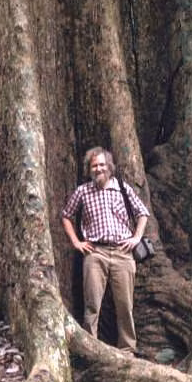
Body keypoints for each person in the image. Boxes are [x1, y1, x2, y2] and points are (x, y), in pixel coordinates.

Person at [62, 147, 149, 355]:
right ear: (89, 169)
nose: (98, 168)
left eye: (102, 165)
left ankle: (127, 349)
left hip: (122, 252)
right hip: (95, 253)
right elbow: (66, 215)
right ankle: (90, 349)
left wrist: (136, 238)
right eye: (94, 165)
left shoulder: (122, 189)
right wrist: (76, 242)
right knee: (92, 304)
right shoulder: (83, 191)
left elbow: (142, 213)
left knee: (124, 305)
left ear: (109, 167)